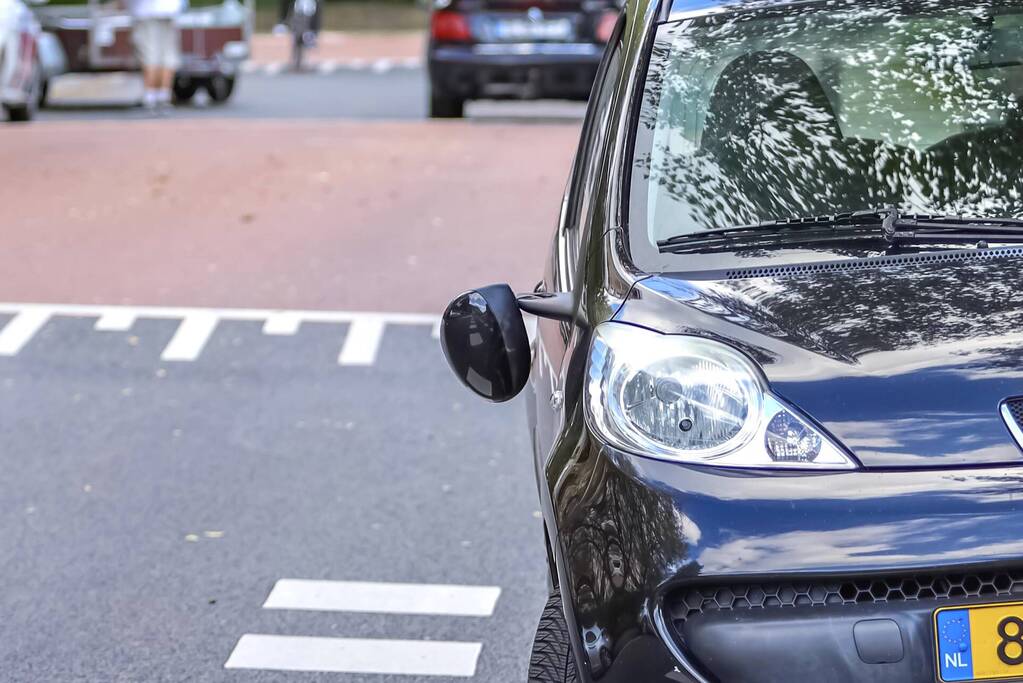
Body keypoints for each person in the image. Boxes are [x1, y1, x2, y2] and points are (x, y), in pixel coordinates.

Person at [128, 0, 186, 111]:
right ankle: (164, 96)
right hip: (171, 9)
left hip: (146, 12)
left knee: (150, 54)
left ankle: (150, 97)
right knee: (167, 54)